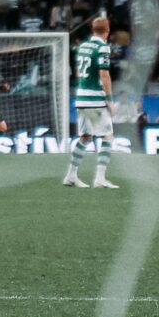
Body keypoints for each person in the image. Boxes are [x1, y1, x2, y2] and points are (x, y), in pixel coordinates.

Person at [64, 14, 119, 190]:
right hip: (95, 99)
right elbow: (104, 74)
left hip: (81, 97)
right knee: (108, 136)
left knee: (86, 137)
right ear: (107, 31)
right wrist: (109, 100)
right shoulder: (103, 47)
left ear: (93, 30)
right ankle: (100, 178)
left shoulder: (83, 47)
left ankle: (71, 175)